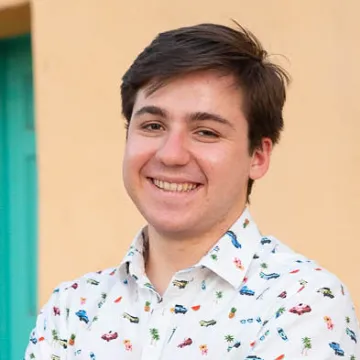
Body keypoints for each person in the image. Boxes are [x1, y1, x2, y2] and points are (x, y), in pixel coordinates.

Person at [25, 22, 359, 359]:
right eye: (153, 126)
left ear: (258, 156)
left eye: (206, 132)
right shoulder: (70, 309)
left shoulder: (302, 301)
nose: (171, 154)